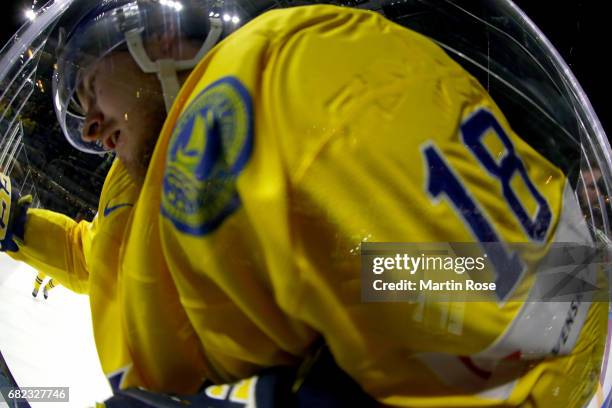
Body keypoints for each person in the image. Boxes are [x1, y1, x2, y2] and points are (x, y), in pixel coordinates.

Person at [0, 0, 607, 406]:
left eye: (87, 90)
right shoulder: (137, 177)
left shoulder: (271, 85)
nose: (89, 126)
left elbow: (436, 273)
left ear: (153, 40)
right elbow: (102, 260)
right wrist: (19, 226)